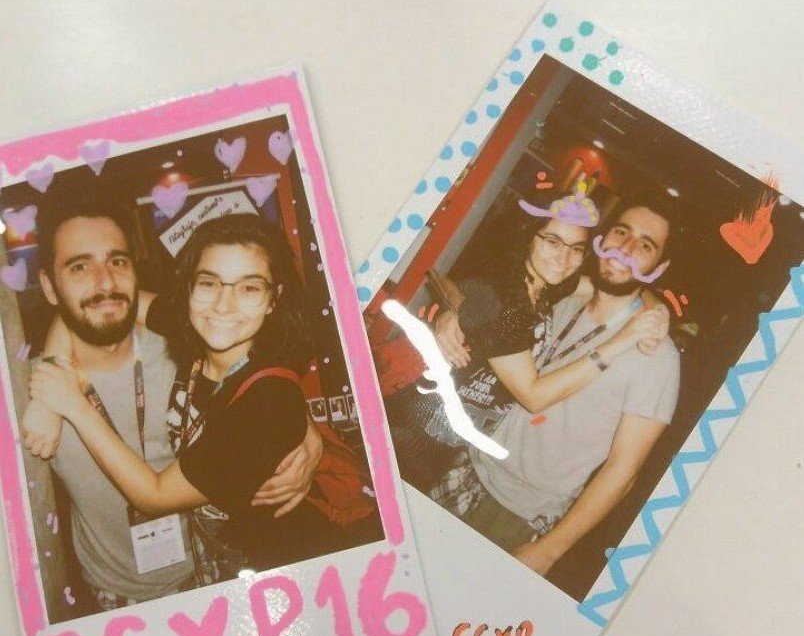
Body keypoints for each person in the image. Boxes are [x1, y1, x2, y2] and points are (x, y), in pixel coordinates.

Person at [30, 213, 380, 574]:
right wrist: (52, 377)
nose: (223, 305)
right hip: (222, 557)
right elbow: (100, 303)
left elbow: (154, 496)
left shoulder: (268, 405)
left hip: (295, 565)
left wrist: (74, 406)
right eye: (209, 283)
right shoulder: (198, 328)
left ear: (273, 298)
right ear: (189, 289)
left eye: (249, 288)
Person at [432, 194, 681, 576]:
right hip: (469, 468)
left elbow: (623, 472)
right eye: (621, 232)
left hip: (522, 514)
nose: (627, 249)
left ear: (659, 267)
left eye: (645, 246)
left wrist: (550, 550)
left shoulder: (656, 356)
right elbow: (491, 289)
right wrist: (454, 310)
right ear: (602, 239)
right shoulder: (562, 296)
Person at [383, 188, 668, 489]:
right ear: (530, 236)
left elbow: (615, 290)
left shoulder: (544, 286)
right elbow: (534, 396)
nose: (564, 258)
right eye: (552, 241)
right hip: (407, 436)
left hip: (446, 445)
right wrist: (620, 342)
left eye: (576, 248)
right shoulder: (504, 299)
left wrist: (658, 308)